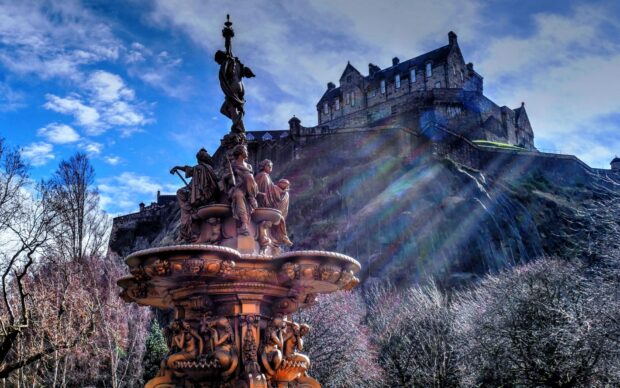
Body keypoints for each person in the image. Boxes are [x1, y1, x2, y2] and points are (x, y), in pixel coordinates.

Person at [170, 148, 220, 242]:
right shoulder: (209, 169)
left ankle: (185, 232)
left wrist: (177, 167)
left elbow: (188, 169)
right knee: (181, 193)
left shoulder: (199, 168)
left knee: (181, 196)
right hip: (207, 195)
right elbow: (189, 170)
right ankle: (186, 229)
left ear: (199, 159)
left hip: (202, 197)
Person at [255, 159, 292, 246]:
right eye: (268, 165)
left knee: (280, 217)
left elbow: (271, 189)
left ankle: (283, 237)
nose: (270, 168)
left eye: (271, 166)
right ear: (263, 166)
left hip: (267, 200)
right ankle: (282, 237)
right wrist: (280, 190)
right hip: (262, 202)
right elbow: (265, 191)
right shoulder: (263, 176)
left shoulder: (266, 176)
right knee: (279, 217)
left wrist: (281, 190)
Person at [223, 145, 258, 236]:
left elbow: (252, 180)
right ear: (240, 152)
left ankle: (251, 197)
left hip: (250, 188)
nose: (247, 152)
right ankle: (244, 223)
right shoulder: (232, 165)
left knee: (249, 176)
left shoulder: (249, 166)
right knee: (238, 195)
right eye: (245, 150)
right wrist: (229, 176)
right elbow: (224, 178)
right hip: (238, 187)